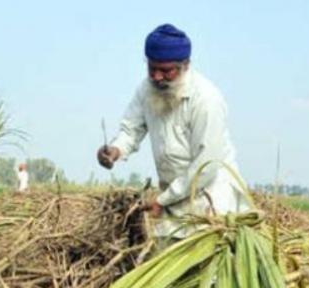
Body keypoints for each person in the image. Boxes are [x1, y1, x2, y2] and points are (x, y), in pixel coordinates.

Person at [97, 23, 250, 236]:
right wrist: (116, 149)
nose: (157, 77)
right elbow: (131, 130)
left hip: (211, 198)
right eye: (152, 68)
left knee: (203, 264)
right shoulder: (146, 89)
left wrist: (163, 199)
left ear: (185, 65)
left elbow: (205, 166)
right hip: (172, 196)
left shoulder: (206, 100)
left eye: (166, 71)